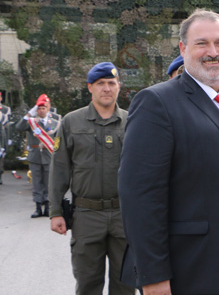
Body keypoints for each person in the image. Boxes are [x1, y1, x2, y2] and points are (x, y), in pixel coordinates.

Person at [118, 9, 219, 294]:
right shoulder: (157, 102)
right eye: (202, 43)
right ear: (183, 48)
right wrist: (153, 276)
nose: (212, 52)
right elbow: (140, 196)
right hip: (194, 270)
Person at [48, 62, 133, 295]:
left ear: (118, 87)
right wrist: (56, 211)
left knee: (126, 284)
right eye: (100, 84)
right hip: (87, 216)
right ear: (90, 88)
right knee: (87, 283)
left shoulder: (132, 121)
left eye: (111, 83)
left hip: (123, 216)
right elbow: (60, 169)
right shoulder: (71, 122)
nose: (106, 88)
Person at [16, 94, 59, 218]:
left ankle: (47, 207)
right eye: (39, 108)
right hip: (35, 156)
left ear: (48, 108)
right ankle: (38, 208)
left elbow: (58, 140)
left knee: (48, 182)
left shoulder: (55, 123)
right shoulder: (31, 122)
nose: (41, 110)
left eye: (43, 108)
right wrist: (29, 114)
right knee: (36, 182)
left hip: (48, 155)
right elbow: (19, 127)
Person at [0, 91, 11, 185]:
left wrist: (8, 139)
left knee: (1, 158)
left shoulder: (5, 109)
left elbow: (7, 125)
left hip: (2, 135)